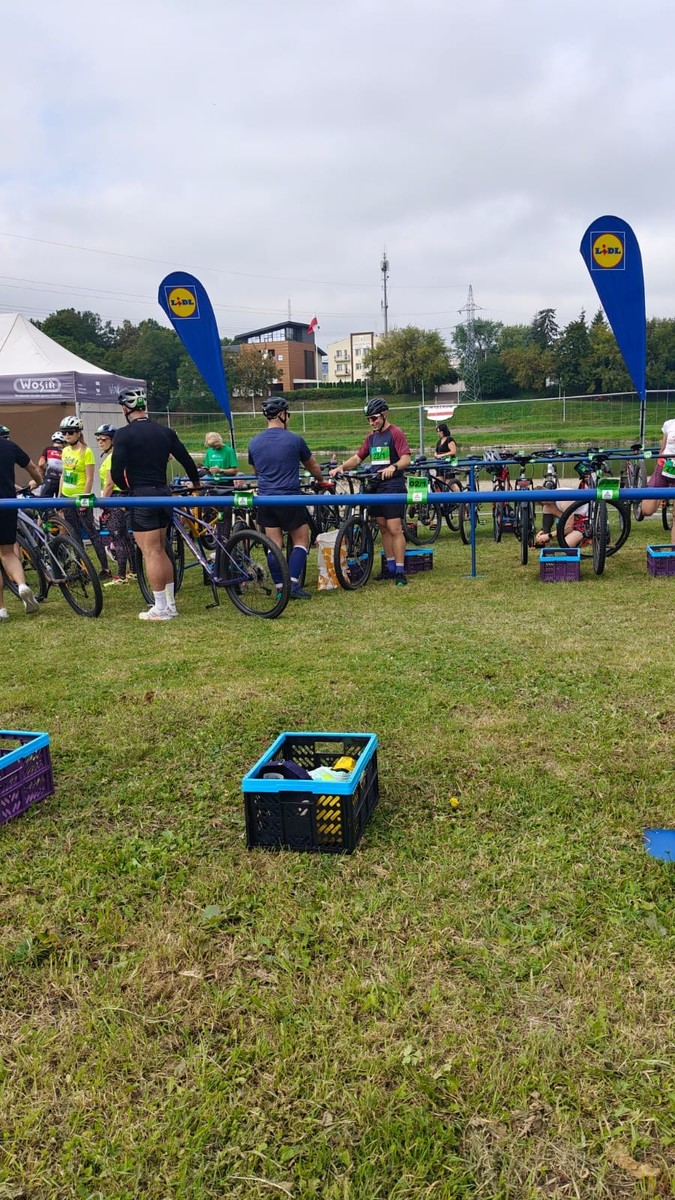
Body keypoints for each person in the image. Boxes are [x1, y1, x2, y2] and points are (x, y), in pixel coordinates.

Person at [110, 387, 200, 620]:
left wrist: (127, 489)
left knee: (150, 552)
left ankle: (160, 607)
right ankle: (170, 604)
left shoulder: (123, 434)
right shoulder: (165, 432)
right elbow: (187, 461)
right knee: (161, 550)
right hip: (163, 494)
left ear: (125, 409)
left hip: (142, 496)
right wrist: (196, 484)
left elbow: (116, 473)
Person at [247, 397, 328, 600]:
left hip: (266, 499)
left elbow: (256, 471)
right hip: (290, 497)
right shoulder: (295, 440)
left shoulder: (254, 442)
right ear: (282, 415)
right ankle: (292, 584)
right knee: (301, 540)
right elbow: (312, 465)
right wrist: (321, 480)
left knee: (274, 545)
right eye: (288, 415)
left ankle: (280, 588)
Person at [330, 397, 412, 585]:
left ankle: (400, 571)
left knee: (394, 528)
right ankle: (390, 567)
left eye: (374, 418)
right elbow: (357, 458)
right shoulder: (371, 438)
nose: (371, 422)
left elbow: (406, 459)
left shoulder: (396, 433)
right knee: (382, 526)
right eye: (368, 419)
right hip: (376, 485)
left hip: (392, 485)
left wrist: (393, 467)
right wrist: (341, 468)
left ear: (384, 415)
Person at [58, 416, 112, 579]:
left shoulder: (86, 451)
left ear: (78, 433)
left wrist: (83, 499)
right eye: (64, 433)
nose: (67, 435)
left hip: (80, 496)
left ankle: (105, 568)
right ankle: (81, 568)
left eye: (70, 432)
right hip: (67, 496)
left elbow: (89, 478)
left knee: (91, 532)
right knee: (74, 534)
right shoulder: (65, 451)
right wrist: (59, 496)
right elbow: (63, 475)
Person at [0, 425, 42, 618]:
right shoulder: (8, 446)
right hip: (8, 504)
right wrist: (38, 482)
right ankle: (22, 585)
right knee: (8, 552)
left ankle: (1, 609)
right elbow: (32, 468)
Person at [95, 424, 134, 584]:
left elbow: (110, 484)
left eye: (103, 439)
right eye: (98, 439)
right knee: (125, 537)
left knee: (118, 538)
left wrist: (103, 504)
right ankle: (133, 571)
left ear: (113, 440)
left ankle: (121, 575)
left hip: (114, 497)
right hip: (122, 497)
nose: (100, 442)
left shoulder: (112, 458)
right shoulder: (118, 455)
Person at [640, 416, 675, 543]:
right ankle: (662, 495)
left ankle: (673, 551)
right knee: (646, 510)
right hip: (664, 468)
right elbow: (663, 449)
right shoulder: (669, 424)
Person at [36, 431, 66, 498]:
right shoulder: (66, 451)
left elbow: (41, 464)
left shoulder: (48, 449)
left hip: (50, 478)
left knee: (44, 501)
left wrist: (43, 472)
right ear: (64, 442)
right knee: (60, 502)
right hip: (63, 482)